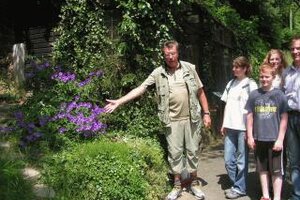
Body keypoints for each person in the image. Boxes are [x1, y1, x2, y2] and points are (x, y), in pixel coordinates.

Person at [104, 40, 211, 200]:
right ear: (164, 55)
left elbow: (200, 91)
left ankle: (194, 183)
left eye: (173, 53)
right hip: (171, 121)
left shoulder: (189, 68)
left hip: (191, 119)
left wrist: (207, 113)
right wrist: (119, 101)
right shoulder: (158, 73)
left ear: (177, 53)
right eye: (167, 54)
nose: (170, 57)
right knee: (174, 154)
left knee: (192, 152)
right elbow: (141, 88)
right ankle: (177, 186)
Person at [246, 64, 288, 200]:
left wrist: (280, 139)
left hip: (274, 139)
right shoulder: (254, 95)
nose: (264, 79)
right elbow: (250, 116)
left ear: (273, 77)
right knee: (262, 169)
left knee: (276, 171)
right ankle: (265, 195)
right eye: (262, 76)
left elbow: (284, 117)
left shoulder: (279, 95)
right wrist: (250, 136)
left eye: (267, 77)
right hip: (259, 139)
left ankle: (276, 197)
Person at [220, 56, 258, 199]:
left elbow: (254, 109)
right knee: (229, 160)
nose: (234, 69)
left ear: (245, 68)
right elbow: (227, 106)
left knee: (242, 160)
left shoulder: (251, 84)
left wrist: (251, 130)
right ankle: (238, 185)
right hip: (230, 127)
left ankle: (239, 188)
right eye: (233, 66)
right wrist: (223, 124)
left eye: (237, 67)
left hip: (243, 128)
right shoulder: (230, 83)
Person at [282, 35, 300, 200]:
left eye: (298, 48)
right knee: (294, 160)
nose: (295, 51)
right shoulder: (286, 73)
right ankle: (296, 195)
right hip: (291, 117)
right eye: (293, 48)